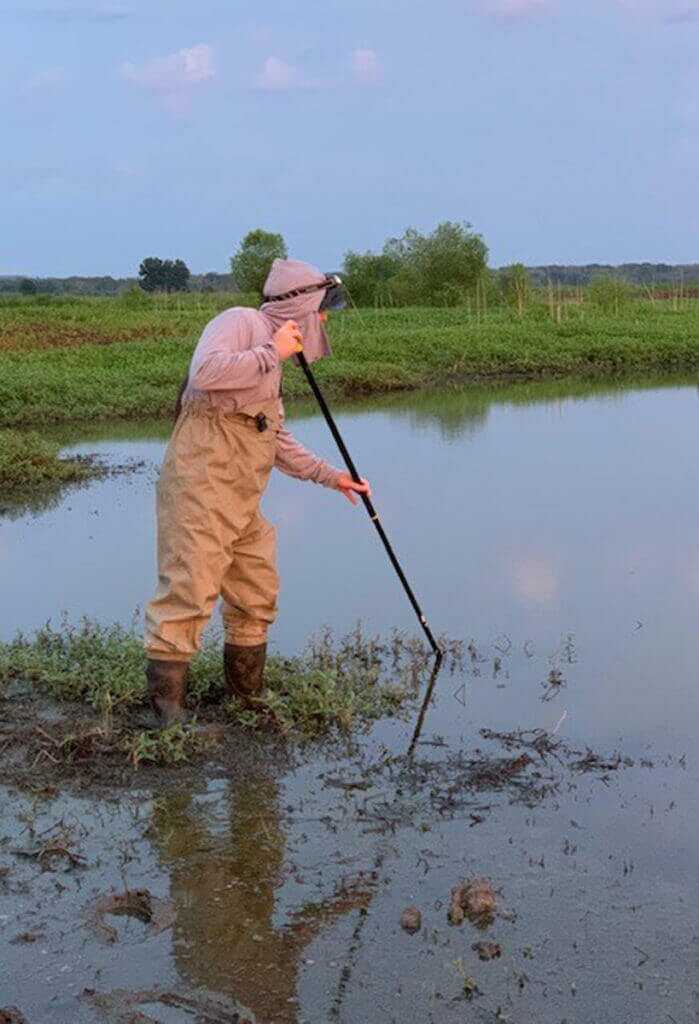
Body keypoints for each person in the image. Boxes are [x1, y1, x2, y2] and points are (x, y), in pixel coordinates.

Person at [144, 259, 370, 725]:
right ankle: (167, 718)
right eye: (322, 311)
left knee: (256, 591)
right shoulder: (240, 322)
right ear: (302, 306)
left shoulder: (273, 364)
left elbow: (274, 438)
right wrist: (272, 350)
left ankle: (246, 698)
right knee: (188, 594)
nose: (325, 320)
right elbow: (207, 372)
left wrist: (333, 477)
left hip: (243, 498)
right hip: (200, 492)